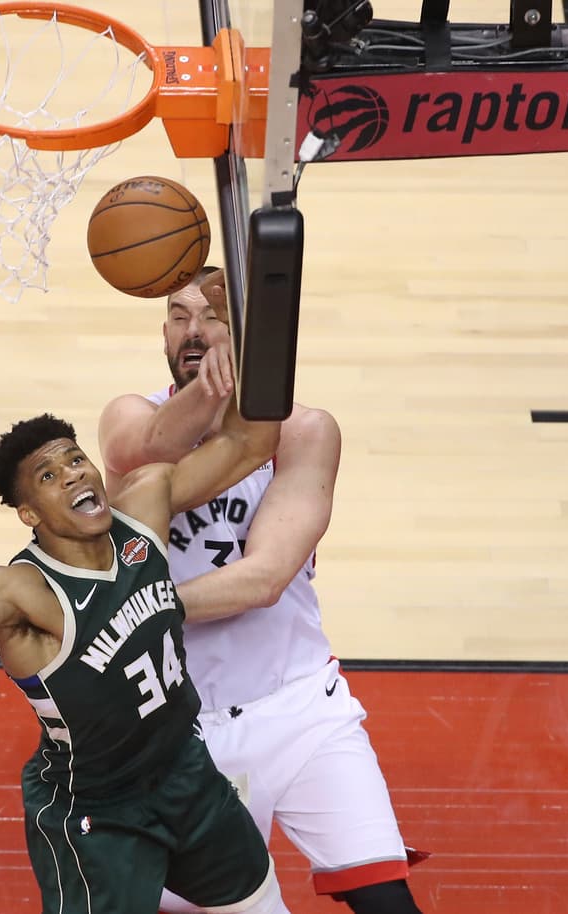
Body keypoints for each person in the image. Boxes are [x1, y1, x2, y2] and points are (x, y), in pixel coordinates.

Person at [0, 375, 290, 914]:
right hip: (99, 813)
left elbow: (252, 443)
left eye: (75, 460)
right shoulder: (22, 590)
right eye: (48, 476)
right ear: (30, 514)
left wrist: (248, 333)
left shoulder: (143, 507)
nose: (72, 475)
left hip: (185, 772)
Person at [97, 268, 424, 914]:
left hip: (301, 707)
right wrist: (219, 383)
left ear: (245, 329)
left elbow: (265, 578)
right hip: (181, 729)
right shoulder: (127, 417)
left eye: (211, 316)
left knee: (389, 903)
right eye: (177, 315)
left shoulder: (307, 430)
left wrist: (137, 609)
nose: (193, 332)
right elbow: (151, 445)